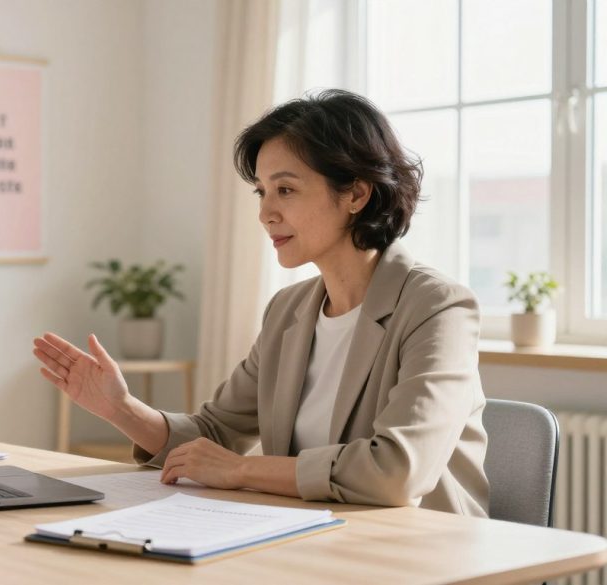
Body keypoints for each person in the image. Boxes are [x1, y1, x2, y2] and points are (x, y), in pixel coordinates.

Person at [32, 89, 489, 516]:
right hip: (312, 544)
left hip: (421, 559)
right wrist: (121, 408)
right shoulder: (288, 311)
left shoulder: (437, 307)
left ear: (355, 193)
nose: (266, 212)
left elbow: (398, 472)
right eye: (262, 191)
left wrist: (240, 469)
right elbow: (213, 435)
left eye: (285, 190)